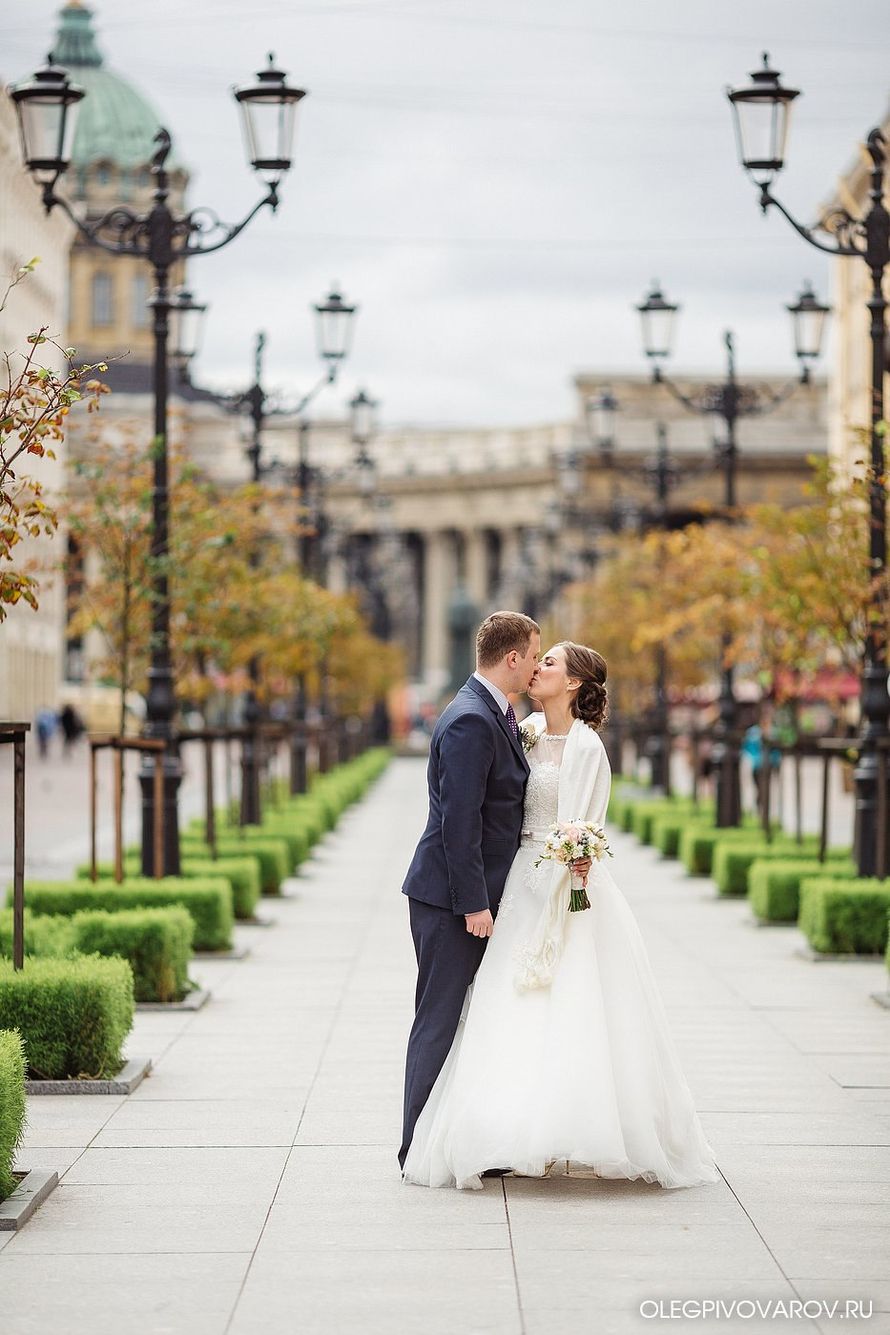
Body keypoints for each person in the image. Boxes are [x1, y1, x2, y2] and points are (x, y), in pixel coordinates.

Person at [402, 641, 718, 1190]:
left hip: (565, 882)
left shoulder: (587, 744)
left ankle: (577, 1127)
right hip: (518, 884)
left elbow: (587, 822)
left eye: (550, 662)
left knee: (573, 1004)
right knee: (510, 1004)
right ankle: (510, 1132)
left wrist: (571, 871)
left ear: (573, 683)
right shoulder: (520, 730)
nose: (538, 667)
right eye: (536, 657)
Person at [399, 611, 547, 1170]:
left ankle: (465, 1138)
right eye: (534, 655)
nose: (536, 666)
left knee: (475, 1020)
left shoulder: (493, 712)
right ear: (512, 658)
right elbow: (460, 823)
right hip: (450, 902)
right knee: (438, 1018)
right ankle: (416, 1147)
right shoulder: (469, 719)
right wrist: (475, 905)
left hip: (476, 896)